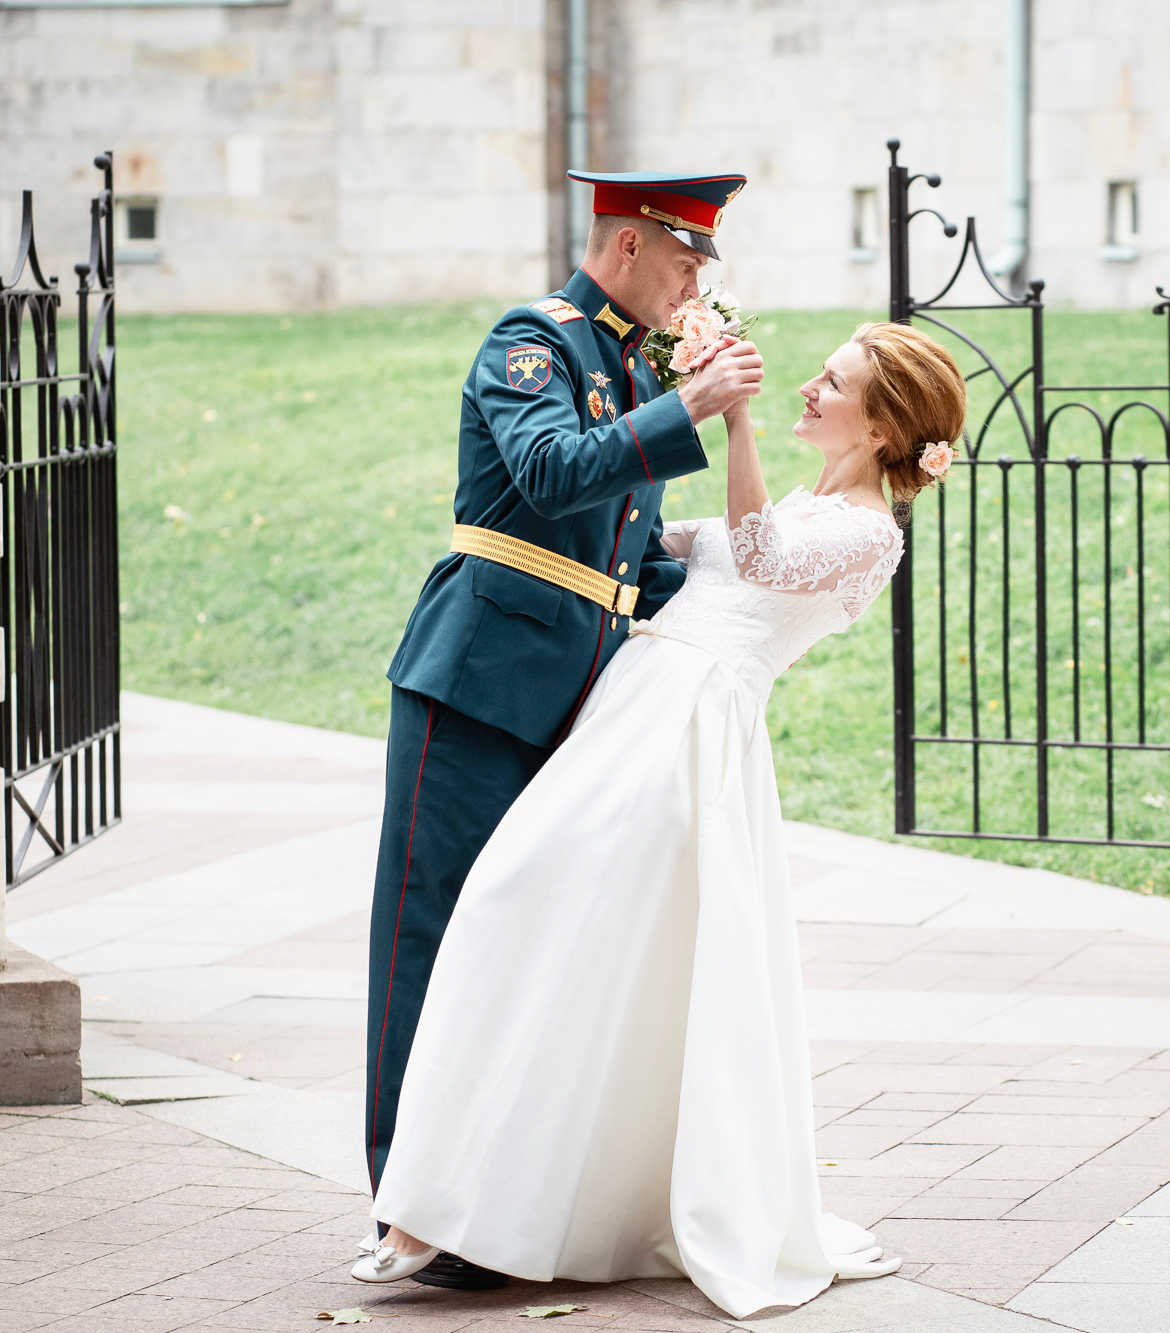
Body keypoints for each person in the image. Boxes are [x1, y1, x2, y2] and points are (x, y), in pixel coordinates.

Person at [355, 323, 969, 1317]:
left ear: (884, 423)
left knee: (535, 914)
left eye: (833, 382)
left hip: (689, 736)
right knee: (540, 930)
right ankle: (447, 1202)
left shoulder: (867, 533)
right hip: (631, 708)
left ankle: (450, 1208)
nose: (810, 387)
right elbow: (652, 543)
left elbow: (758, 555)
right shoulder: (812, 499)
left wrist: (728, 420)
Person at [364, 169, 763, 1290]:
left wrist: (738, 620)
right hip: (479, 681)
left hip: (582, 699)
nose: (695, 284)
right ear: (627, 245)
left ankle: (484, 1199)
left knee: (526, 948)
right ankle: (405, 1199)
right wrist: (687, 405)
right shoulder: (531, 342)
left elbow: (631, 560)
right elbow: (545, 477)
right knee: (429, 936)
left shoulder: (632, 367)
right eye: (685, 261)